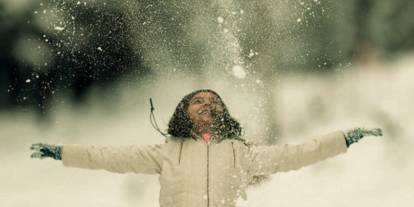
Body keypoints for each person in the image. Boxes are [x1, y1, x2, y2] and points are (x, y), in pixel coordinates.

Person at [30, 89, 383, 207]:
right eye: (197, 100)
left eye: (214, 101)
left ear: (223, 113)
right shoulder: (166, 151)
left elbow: (295, 154)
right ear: (183, 111)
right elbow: (107, 156)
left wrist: (343, 139)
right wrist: (63, 152)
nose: (206, 104)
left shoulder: (239, 152)